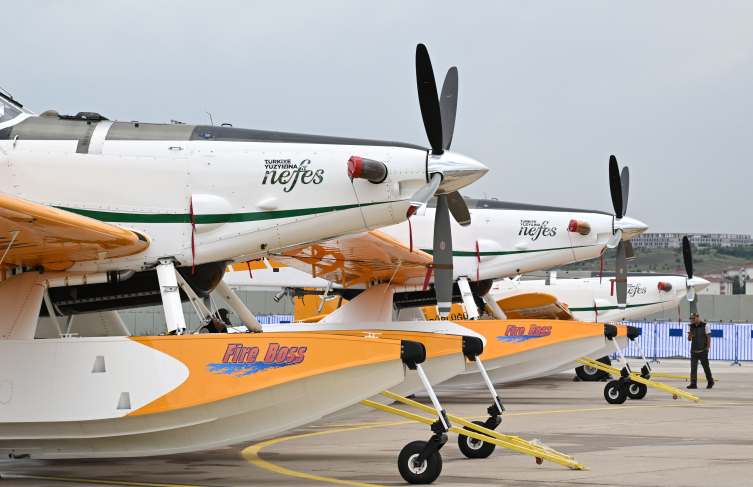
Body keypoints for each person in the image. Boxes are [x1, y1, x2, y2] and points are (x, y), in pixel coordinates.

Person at [686, 312, 714, 389]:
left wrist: (707, 348)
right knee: (693, 368)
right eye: (692, 318)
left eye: (694, 318)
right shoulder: (691, 327)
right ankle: (693, 383)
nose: (693, 320)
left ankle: (710, 381)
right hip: (694, 351)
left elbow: (708, 338)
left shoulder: (705, 326)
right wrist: (689, 337)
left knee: (706, 367)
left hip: (703, 350)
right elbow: (689, 339)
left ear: (698, 317)